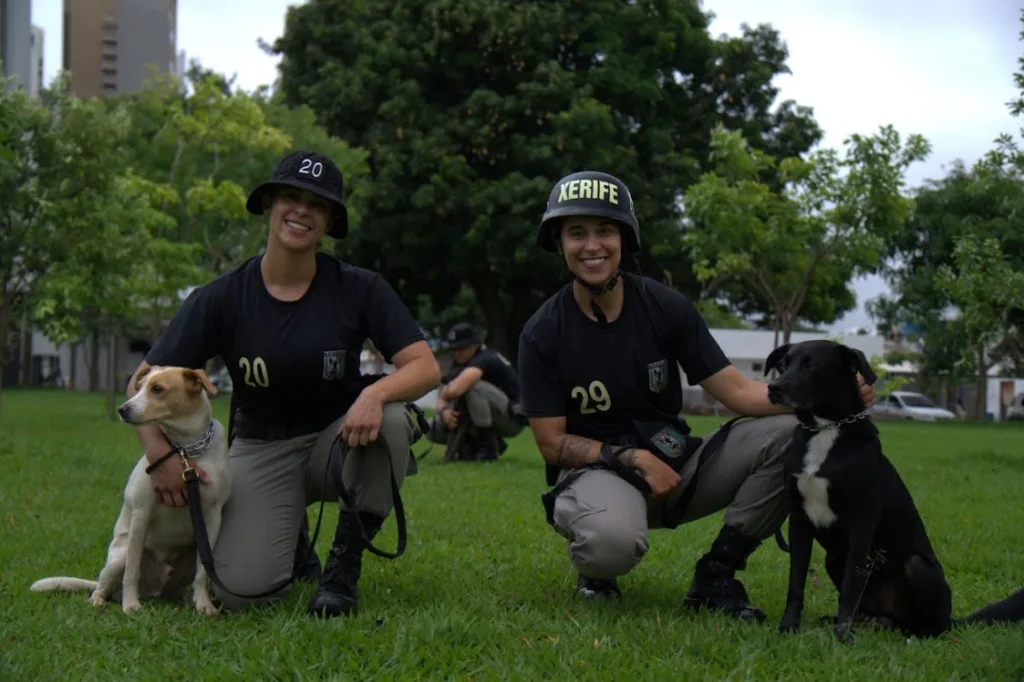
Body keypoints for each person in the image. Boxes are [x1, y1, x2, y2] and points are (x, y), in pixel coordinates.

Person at [516, 170, 875, 622]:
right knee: (611, 544)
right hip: (599, 472)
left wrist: (832, 393)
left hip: (677, 464)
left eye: (605, 230)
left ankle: (716, 574)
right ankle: (596, 568)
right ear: (559, 244)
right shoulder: (542, 333)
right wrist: (630, 458)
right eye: (577, 233)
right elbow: (551, 443)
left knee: (789, 433)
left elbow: (742, 394)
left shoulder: (666, 307)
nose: (593, 246)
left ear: (625, 238)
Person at [125, 150, 441, 618]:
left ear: (330, 220)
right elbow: (143, 378)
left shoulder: (360, 288)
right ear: (269, 206)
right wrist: (161, 454)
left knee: (392, 421)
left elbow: (425, 368)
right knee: (239, 592)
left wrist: (374, 393)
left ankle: (341, 572)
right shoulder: (222, 297)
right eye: (290, 197)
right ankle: (291, 542)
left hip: (339, 438)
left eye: (317, 204)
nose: (301, 211)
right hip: (261, 447)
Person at [427, 322, 527, 461]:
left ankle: (487, 447)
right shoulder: (460, 362)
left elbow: (456, 389)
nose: (457, 353)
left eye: (461, 348)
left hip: (511, 419)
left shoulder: (486, 357)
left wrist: (446, 395)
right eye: (454, 349)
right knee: (430, 427)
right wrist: (444, 411)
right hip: (490, 416)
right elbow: (443, 392)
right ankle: (475, 445)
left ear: (473, 345)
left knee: (474, 387)